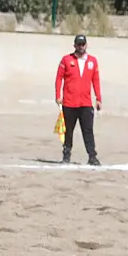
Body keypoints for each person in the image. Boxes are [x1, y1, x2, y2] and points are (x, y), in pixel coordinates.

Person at [55, 34, 102, 166]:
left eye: (83, 44)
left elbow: (96, 81)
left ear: (86, 45)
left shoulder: (92, 61)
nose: (81, 47)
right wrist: (58, 95)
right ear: (74, 45)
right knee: (68, 130)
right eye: (78, 44)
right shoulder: (66, 60)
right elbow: (59, 78)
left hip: (85, 103)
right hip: (69, 102)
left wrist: (98, 98)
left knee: (88, 130)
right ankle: (66, 154)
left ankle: (92, 156)